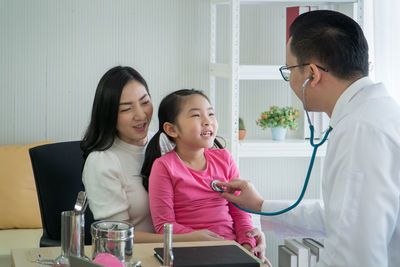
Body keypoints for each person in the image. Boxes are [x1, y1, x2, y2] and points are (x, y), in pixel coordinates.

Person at [217, 10, 400, 267]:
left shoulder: (360, 131)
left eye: (289, 69)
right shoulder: (375, 113)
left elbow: (352, 258)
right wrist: (260, 205)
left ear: (312, 74)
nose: (289, 79)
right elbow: (340, 216)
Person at [80, 66, 266, 249]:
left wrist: (251, 236)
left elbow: (236, 208)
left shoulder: (169, 141)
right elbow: (116, 235)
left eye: (145, 102)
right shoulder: (102, 162)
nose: (140, 114)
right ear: (109, 115)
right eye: (126, 109)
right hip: (147, 253)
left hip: (203, 245)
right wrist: (192, 239)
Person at [141, 89, 268, 262]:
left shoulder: (225, 159)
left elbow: (241, 213)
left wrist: (246, 247)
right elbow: (164, 227)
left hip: (232, 250)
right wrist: (198, 238)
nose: (208, 121)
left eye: (211, 114)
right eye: (196, 116)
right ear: (172, 129)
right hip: (189, 251)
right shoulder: (164, 167)